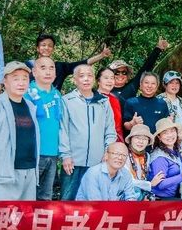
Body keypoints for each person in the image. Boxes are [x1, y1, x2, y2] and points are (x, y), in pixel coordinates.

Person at [0, 61, 40, 201]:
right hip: (4, 173)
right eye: (15, 78)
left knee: (25, 213)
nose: (21, 83)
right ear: (5, 81)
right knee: (2, 213)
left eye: (25, 78)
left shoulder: (30, 105)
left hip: (29, 170)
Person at [58, 64, 117, 200]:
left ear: (94, 79)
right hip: (73, 161)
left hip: (97, 161)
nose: (86, 79)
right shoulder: (67, 100)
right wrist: (65, 155)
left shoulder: (103, 101)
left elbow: (110, 130)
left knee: (94, 200)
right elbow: (63, 130)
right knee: (68, 200)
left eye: (89, 75)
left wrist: (108, 151)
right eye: (81, 76)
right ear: (75, 80)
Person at [25, 57, 63, 200]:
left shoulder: (57, 94)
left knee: (46, 196)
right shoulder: (27, 93)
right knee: (28, 195)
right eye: (43, 68)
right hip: (33, 154)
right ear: (34, 72)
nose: (48, 72)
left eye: (51, 68)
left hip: (52, 153)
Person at [26, 34, 111, 90]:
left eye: (50, 46)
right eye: (43, 45)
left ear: (53, 49)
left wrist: (101, 55)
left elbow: (83, 63)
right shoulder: (29, 65)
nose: (46, 48)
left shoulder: (60, 67)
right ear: (37, 48)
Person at [109, 36, 169, 107]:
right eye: (117, 72)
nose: (120, 75)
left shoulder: (131, 86)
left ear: (127, 74)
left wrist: (158, 49)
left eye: (124, 72)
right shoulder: (105, 89)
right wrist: (101, 56)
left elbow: (146, 68)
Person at [149, 118, 182, 200]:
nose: (170, 135)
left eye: (172, 131)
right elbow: (161, 184)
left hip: (174, 195)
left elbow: (180, 166)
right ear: (159, 137)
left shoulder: (173, 150)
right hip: (161, 198)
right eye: (165, 133)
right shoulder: (159, 158)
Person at [124, 124, 164, 200]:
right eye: (137, 138)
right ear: (131, 139)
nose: (141, 141)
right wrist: (150, 184)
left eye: (145, 139)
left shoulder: (147, 156)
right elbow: (127, 181)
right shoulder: (124, 155)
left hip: (141, 193)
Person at [157, 70, 182, 156]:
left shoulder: (181, 101)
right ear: (165, 84)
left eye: (177, 83)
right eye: (171, 83)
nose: (174, 86)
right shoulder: (159, 100)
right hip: (169, 142)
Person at [96, 67, 124, 141]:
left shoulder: (115, 99)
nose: (109, 81)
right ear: (98, 81)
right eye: (106, 78)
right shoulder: (92, 98)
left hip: (115, 140)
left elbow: (118, 126)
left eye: (112, 78)